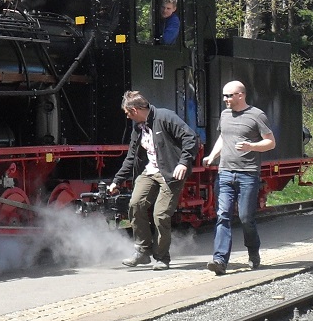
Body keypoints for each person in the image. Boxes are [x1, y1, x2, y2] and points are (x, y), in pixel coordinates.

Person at [108, 91, 199, 270]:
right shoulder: (138, 128)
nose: (127, 116)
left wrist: (183, 163)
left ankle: (162, 257)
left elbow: (191, 138)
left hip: (171, 173)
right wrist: (116, 181)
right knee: (135, 205)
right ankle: (142, 252)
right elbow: (131, 157)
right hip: (149, 172)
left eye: (127, 112)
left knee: (160, 215)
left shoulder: (166, 118)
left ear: (134, 110)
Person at [201, 80, 276, 274]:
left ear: (240, 95)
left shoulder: (256, 115)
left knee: (245, 218)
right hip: (225, 172)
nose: (225, 99)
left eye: (229, 96)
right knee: (222, 215)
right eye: (224, 96)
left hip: (248, 174)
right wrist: (212, 156)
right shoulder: (225, 115)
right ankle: (219, 260)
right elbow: (223, 138)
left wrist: (251, 146)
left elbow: (270, 142)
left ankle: (253, 252)